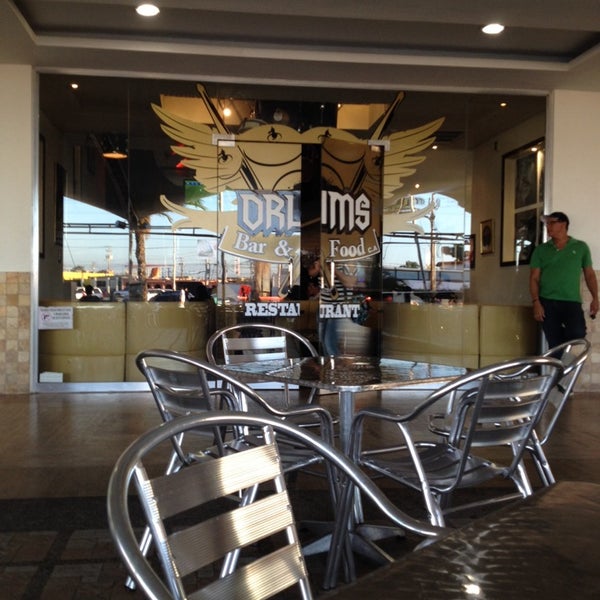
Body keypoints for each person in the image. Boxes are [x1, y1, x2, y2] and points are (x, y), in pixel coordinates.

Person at [529, 211, 598, 348]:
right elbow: (534, 278)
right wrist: (536, 302)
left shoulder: (580, 247)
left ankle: (561, 354)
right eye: (547, 223)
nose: (548, 226)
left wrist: (595, 298)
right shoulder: (541, 250)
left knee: (578, 333)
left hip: (571, 301)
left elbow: (590, 275)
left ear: (563, 224)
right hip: (547, 302)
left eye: (551, 223)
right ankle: (560, 359)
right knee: (554, 343)